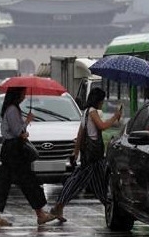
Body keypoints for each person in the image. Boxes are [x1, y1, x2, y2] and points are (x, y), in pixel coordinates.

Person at [50, 87, 122, 222]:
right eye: (102, 100)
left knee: (99, 183)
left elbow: (80, 134)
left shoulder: (86, 112)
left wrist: (76, 152)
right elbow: (102, 126)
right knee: (77, 182)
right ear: (98, 100)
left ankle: (111, 208)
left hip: (91, 155)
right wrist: (115, 116)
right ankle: (58, 206)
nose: (102, 103)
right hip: (93, 156)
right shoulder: (93, 112)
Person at [0, 87, 56, 226]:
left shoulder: (10, 108)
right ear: (17, 94)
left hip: (10, 149)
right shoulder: (13, 109)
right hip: (14, 150)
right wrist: (27, 122)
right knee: (28, 180)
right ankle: (40, 214)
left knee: (5, 182)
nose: (25, 95)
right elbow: (17, 131)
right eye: (23, 92)